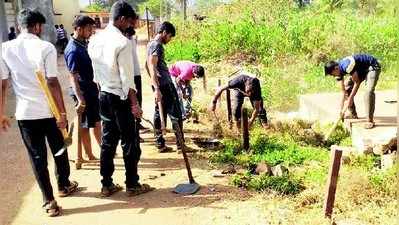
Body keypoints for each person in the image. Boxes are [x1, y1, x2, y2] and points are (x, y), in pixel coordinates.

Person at [1, 9, 78, 217]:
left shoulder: (5, 48)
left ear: (19, 26)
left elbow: (3, 84)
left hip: (25, 115)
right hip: (49, 111)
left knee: (37, 158)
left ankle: (49, 201)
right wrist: (62, 113)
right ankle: (63, 184)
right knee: (59, 149)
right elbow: (52, 82)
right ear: (37, 27)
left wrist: (1, 113)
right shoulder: (46, 47)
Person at [88, 0, 153, 197]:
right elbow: (127, 79)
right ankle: (132, 184)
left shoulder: (95, 39)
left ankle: (106, 184)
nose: (130, 26)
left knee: (108, 141)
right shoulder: (122, 43)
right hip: (120, 98)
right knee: (129, 141)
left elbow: (96, 74)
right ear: (122, 19)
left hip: (104, 95)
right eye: (129, 23)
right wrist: (135, 104)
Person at [64, 16, 101, 166]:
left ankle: (95, 151)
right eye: (89, 29)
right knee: (85, 125)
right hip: (82, 92)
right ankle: (88, 154)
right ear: (79, 29)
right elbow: (73, 76)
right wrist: (80, 98)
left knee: (96, 122)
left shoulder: (83, 43)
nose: (91, 32)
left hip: (91, 89)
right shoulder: (73, 49)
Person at [146, 21, 187, 153]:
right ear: (164, 33)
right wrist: (157, 87)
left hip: (159, 84)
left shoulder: (150, 44)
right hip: (164, 84)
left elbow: (147, 65)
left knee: (160, 112)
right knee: (176, 112)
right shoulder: (157, 45)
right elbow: (151, 65)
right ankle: (181, 145)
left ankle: (160, 144)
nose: (169, 40)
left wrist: (154, 83)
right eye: (169, 36)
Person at [324, 54, 381, 129]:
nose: (333, 76)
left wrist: (350, 98)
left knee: (368, 91)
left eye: (332, 74)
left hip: (372, 66)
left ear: (336, 68)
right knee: (348, 89)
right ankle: (353, 114)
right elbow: (343, 92)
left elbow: (357, 82)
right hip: (360, 69)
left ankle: (369, 120)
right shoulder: (338, 71)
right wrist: (341, 110)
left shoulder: (347, 66)